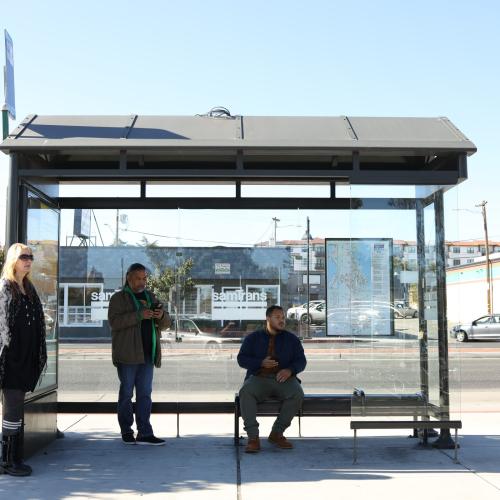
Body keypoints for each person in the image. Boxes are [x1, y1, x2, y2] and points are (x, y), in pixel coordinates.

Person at [108, 263, 171, 445]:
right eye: (138, 278)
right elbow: (114, 323)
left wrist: (160, 316)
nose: (142, 281)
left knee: (145, 394)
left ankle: (144, 432)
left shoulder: (150, 296)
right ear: (129, 278)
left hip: (147, 354)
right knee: (126, 394)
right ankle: (126, 431)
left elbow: (166, 324)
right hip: (127, 355)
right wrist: (139, 315)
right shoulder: (119, 298)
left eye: (144, 278)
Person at [0, 243, 47, 476]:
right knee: (12, 408)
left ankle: (14, 456)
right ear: (13, 260)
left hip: (27, 355)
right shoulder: (5, 287)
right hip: (11, 357)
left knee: (17, 408)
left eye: (30, 257)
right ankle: (7, 461)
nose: (28, 260)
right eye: (23, 257)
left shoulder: (28, 286)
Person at [237, 305, 306, 453]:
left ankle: (277, 433)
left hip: (284, 379)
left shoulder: (292, 339)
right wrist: (260, 363)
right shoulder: (253, 338)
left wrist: (290, 370)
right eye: (277, 317)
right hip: (259, 377)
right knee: (246, 392)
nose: (282, 321)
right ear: (268, 319)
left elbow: (301, 361)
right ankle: (253, 438)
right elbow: (241, 359)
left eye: (283, 318)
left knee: (297, 393)